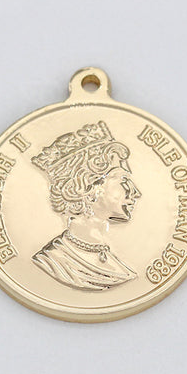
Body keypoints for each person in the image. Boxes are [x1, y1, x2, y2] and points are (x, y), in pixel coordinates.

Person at [31, 121, 141, 291]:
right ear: (87, 188)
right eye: (123, 180)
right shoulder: (52, 262)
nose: (135, 192)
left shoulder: (115, 264)